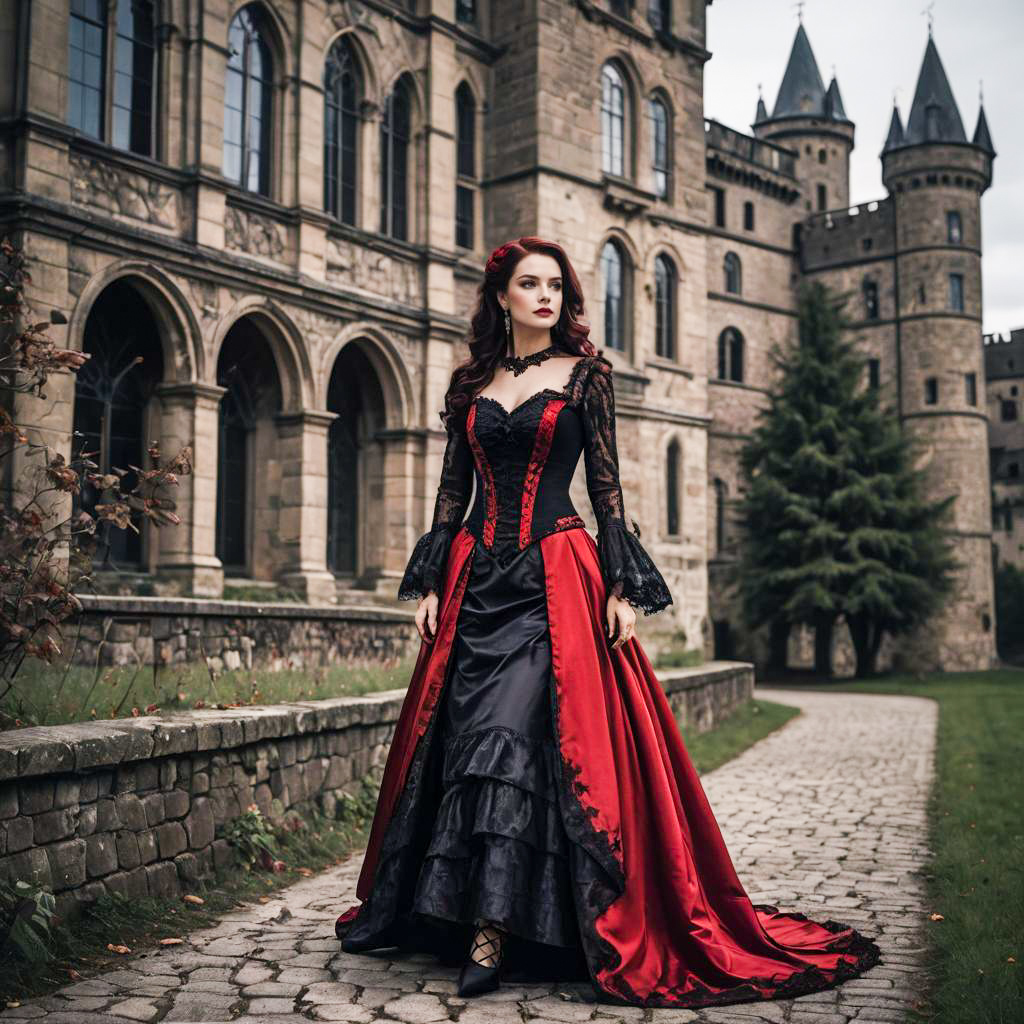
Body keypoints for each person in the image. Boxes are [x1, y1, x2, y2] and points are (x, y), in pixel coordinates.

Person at [334, 238, 881, 1007]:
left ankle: (493, 934)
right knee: (462, 743)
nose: (546, 296)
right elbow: (453, 486)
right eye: (530, 285)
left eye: (556, 285)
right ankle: (462, 915)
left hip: (553, 581)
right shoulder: (469, 384)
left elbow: (606, 486)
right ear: (501, 297)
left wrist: (621, 586)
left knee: (512, 736)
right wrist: (428, 579)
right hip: (474, 584)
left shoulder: (588, 377)